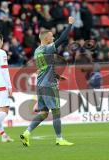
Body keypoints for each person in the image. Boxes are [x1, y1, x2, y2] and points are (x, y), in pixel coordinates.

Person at [20, 17, 75, 147]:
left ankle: (27, 133)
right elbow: (62, 39)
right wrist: (70, 25)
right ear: (46, 39)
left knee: (44, 113)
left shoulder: (37, 51)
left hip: (40, 85)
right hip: (49, 85)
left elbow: (43, 68)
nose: (53, 38)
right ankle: (59, 138)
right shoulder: (46, 48)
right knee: (56, 111)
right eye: (51, 37)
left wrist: (57, 76)